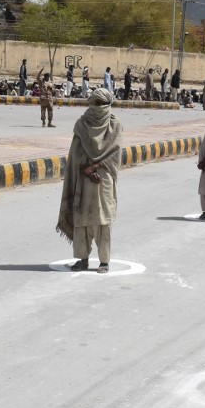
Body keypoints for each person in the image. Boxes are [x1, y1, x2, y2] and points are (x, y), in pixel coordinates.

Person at [57, 88, 123, 274]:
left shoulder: (114, 124)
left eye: (101, 103)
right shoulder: (82, 124)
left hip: (103, 177)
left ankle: (104, 261)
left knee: (103, 219)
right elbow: (75, 151)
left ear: (108, 104)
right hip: (83, 177)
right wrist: (84, 168)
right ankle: (82, 258)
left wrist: (95, 167)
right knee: (82, 218)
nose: (97, 107)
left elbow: (115, 153)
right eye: (94, 103)